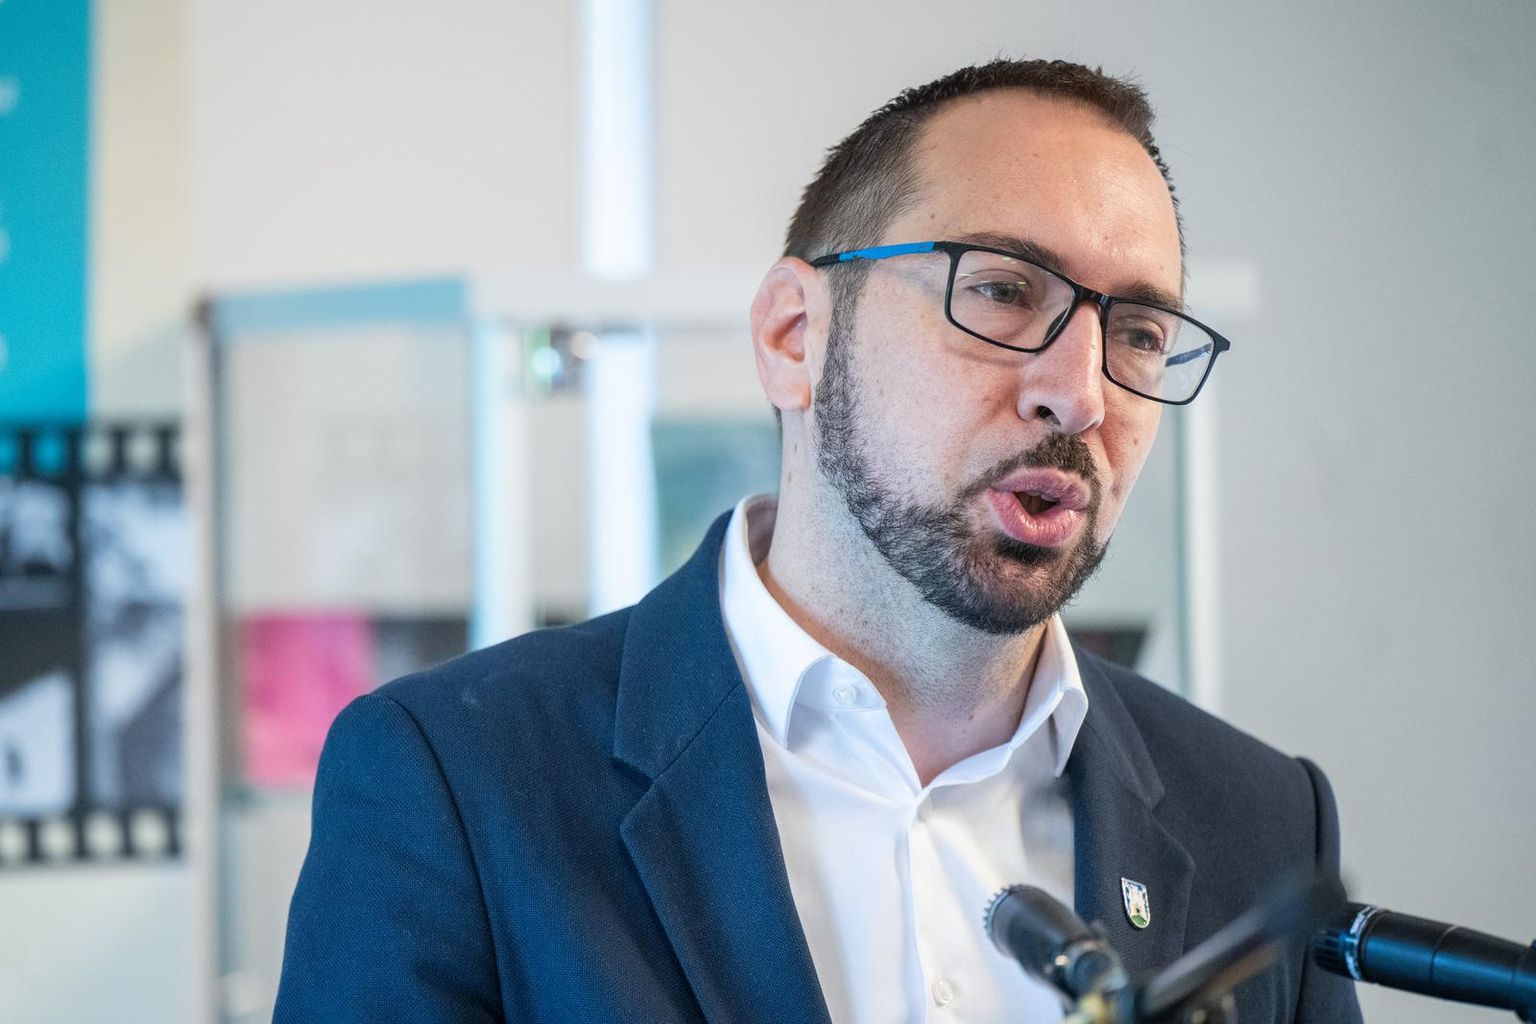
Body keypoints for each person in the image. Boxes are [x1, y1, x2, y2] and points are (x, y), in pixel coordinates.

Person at [275, 58, 1363, 1023]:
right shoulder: (458, 782)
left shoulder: (1262, 823)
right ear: (795, 337)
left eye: (1139, 333)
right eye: (1001, 290)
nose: (1080, 394)